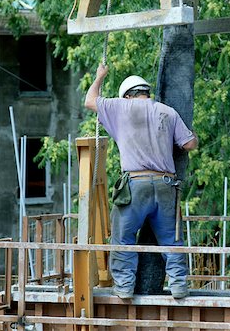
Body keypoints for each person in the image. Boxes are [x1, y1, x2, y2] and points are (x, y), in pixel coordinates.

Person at [85, 64, 198, 300]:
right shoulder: (167, 112)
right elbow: (189, 144)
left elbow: (90, 100)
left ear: (127, 95)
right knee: (172, 240)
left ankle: (125, 287)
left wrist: (100, 76)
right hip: (167, 185)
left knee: (123, 236)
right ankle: (178, 286)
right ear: (145, 91)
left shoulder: (119, 107)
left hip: (135, 186)